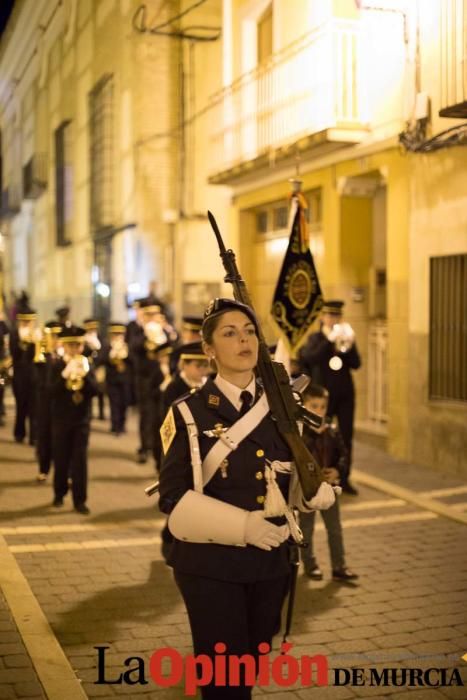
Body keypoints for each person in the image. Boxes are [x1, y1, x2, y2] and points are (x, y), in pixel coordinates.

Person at [158, 298, 335, 699]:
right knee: (224, 681)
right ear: (208, 350)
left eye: (250, 331)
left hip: (272, 560)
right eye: (229, 333)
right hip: (210, 565)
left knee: (252, 660)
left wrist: (309, 497)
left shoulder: (284, 408)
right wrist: (241, 526)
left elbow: (289, 473)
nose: (244, 340)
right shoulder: (188, 413)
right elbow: (171, 496)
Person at [299, 300, 361, 495]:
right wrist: (328, 340)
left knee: (346, 436)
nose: (334, 320)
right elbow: (310, 358)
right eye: (330, 316)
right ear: (322, 317)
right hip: (323, 397)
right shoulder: (316, 338)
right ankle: (319, 475)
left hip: (344, 394)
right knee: (320, 435)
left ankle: (343, 477)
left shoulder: (346, 339)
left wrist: (347, 346)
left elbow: (356, 363)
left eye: (337, 316)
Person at [299, 383, 358, 582]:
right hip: (308, 489)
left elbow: (343, 454)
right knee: (306, 528)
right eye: (313, 406)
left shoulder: (331, 430)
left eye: (322, 407)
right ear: (304, 406)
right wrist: (312, 434)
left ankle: (339, 566)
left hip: (329, 487)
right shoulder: (301, 432)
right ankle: (309, 563)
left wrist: (337, 471)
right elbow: (298, 456)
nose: (319, 411)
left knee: (334, 528)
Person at [48, 325, 98, 514]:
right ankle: (59, 494)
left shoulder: (87, 364)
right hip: (61, 419)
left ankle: (80, 500)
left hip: (81, 420)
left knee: (80, 461)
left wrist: (86, 378)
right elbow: (50, 392)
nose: (74, 349)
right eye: (70, 345)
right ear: (64, 345)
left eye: (78, 345)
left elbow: (96, 391)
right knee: (61, 458)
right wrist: (63, 376)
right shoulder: (56, 365)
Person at [129, 298, 169, 467]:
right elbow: (133, 348)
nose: (153, 317)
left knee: (162, 413)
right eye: (150, 314)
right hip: (144, 377)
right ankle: (145, 447)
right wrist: (147, 335)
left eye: (155, 313)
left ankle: (159, 449)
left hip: (162, 377)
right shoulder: (137, 329)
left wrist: (165, 329)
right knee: (146, 413)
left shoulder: (165, 328)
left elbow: (173, 344)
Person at [33, 320, 64, 482]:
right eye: (53, 336)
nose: (56, 340)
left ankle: (67, 474)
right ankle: (43, 469)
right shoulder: (42, 357)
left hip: (62, 405)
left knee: (63, 441)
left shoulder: (67, 357)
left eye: (59, 336)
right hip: (45, 403)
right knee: (44, 436)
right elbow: (38, 381)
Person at [10, 305, 38, 444]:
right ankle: (19, 433)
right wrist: (23, 343)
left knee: (34, 407)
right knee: (21, 406)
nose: (27, 324)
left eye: (29, 321)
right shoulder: (14, 333)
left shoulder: (37, 335)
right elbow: (14, 353)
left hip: (34, 376)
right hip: (19, 375)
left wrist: (34, 343)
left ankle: (34, 436)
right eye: (24, 321)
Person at [99, 322, 130, 435]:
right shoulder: (107, 346)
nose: (117, 336)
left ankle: (122, 424)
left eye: (120, 334)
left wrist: (125, 354)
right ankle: (115, 426)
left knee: (124, 403)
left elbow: (133, 362)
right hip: (112, 379)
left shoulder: (127, 346)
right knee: (114, 403)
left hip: (125, 380)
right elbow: (101, 360)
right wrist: (111, 354)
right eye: (115, 334)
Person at [162, 341, 209, 415]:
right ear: (184, 364)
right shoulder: (173, 388)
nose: (203, 370)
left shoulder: (209, 384)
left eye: (206, 365)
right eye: (198, 366)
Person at [82, 318, 106, 420]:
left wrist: (97, 363)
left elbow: (104, 351)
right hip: (87, 366)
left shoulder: (100, 338)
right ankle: (89, 413)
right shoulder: (83, 339)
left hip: (98, 367)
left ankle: (101, 413)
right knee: (88, 390)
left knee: (100, 390)